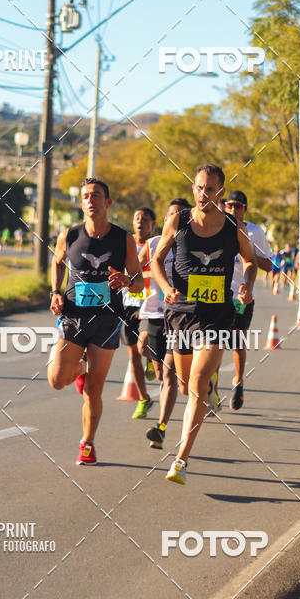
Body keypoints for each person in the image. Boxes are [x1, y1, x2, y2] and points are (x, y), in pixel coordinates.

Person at [151, 164, 256, 485]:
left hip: (217, 314)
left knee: (195, 384)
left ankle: (181, 459)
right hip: (181, 312)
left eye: (210, 189)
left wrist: (247, 286)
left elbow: (249, 261)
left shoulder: (231, 226)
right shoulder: (178, 221)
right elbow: (155, 260)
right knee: (185, 385)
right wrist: (167, 288)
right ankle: (208, 387)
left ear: (220, 193)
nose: (203, 194)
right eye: (199, 187)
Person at [47, 178, 144, 465]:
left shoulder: (123, 238)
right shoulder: (70, 235)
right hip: (74, 316)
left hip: (107, 319)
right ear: (81, 202)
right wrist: (55, 291)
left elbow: (138, 282)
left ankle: (87, 444)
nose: (91, 200)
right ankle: (79, 368)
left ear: (107, 202)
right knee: (56, 380)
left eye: (97, 195)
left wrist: (128, 280)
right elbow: (57, 261)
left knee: (94, 389)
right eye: (86, 196)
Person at [138, 197, 192, 449]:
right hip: (157, 315)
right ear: (166, 219)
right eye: (173, 214)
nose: (177, 218)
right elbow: (135, 272)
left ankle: (160, 428)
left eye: (182, 214)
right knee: (162, 372)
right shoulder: (153, 244)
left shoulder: (194, 244)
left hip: (183, 316)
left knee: (172, 376)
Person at [224, 191, 272, 410]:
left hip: (242, 296)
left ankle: (238, 381)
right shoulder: (216, 228)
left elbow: (269, 266)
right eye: (230, 205)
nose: (234, 209)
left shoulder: (255, 231)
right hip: (218, 296)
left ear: (245, 208)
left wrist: (249, 254)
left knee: (237, 341)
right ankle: (211, 390)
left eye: (239, 206)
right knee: (213, 343)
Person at [121, 208, 156, 419]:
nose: (140, 222)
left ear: (153, 225)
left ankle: (151, 358)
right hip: (127, 304)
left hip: (149, 305)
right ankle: (144, 398)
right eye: (137, 219)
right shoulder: (126, 244)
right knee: (133, 355)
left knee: (143, 349)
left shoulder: (157, 245)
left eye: (145, 219)